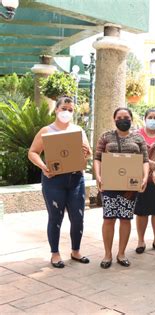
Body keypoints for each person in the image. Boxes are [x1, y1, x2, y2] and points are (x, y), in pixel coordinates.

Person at [28, 96, 92, 268]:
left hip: (76, 179)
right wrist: (42, 166)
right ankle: (55, 253)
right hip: (53, 180)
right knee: (55, 217)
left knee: (78, 218)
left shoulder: (79, 130)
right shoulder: (46, 131)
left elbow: (88, 154)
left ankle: (76, 251)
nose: (67, 112)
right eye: (64, 108)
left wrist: (86, 152)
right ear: (56, 110)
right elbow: (33, 152)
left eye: (70, 110)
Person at [94, 107, 149, 269]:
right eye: (119, 117)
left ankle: (121, 253)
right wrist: (98, 176)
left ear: (131, 119)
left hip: (129, 186)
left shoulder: (138, 138)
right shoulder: (106, 137)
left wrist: (144, 177)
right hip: (110, 183)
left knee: (125, 218)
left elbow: (144, 160)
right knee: (109, 218)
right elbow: (97, 158)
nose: (123, 120)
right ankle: (107, 254)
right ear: (114, 119)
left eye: (126, 117)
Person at [134, 109, 155, 254]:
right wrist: (148, 162)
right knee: (141, 212)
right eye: (150, 117)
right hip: (141, 178)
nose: (153, 119)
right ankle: (141, 240)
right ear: (145, 118)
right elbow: (131, 154)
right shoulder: (136, 135)